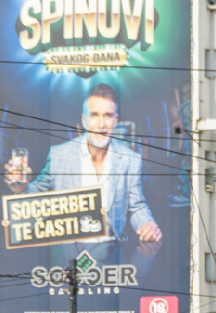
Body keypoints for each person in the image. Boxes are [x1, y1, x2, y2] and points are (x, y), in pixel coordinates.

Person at [9, 83, 162, 266]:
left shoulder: (130, 159)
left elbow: (136, 205)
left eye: (108, 115)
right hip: (67, 264)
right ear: (84, 120)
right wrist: (21, 189)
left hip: (112, 265)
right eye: (94, 115)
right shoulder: (60, 155)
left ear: (116, 120)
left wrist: (147, 224)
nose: (101, 124)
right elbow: (38, 194)